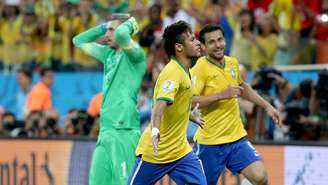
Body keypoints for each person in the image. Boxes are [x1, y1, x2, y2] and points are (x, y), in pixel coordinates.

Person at [191, 24, 282, 185]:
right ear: (203, 47)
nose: (218, 44)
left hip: (236, 138)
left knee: (260, 177)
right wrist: (221, 95)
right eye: (211, 42)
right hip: (210, 143)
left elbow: (243, 88)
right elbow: (190, 100)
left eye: (220, 39)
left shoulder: (232, 63)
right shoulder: (200, 68)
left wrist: (267, 106)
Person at [127, 21, 207, 185]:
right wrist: (155, 130)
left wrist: (189, 115)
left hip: (179, 151)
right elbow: (159, 106)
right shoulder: (172, 73)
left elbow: (176, 103)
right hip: (157, 152)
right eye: (192, 40)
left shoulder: (185, 71)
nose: (198, 42)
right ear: (179, 47)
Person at [72, 14, 146, 185]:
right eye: (108, 30)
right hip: (105, 131)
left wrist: (132, 22)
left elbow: (121, 35)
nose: (107, 35)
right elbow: (78, 41)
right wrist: (103, 26)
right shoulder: (108, 55)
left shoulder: (135, 56)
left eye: (112, 30)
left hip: (124, 131)